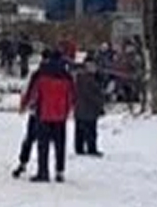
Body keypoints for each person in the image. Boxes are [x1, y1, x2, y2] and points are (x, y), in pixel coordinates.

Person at [17, 47, 75, 182]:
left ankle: (43, 172)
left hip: (43, 113)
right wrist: (69, 109)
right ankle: (60, 171)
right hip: (60, 115)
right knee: (60, 144)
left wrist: (25, 105)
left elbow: (33, 93)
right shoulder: (66, 76)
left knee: (43, 145)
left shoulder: (41, 73)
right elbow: (72, 95)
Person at [73, 52, 106, 156]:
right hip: (88, 109)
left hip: (82, 108)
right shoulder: (87, 79)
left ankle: (80, 148)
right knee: (90, 129)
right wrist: (99, 102)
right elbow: (92, 94)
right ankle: (90, 148)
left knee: (82, 129)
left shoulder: (81, 77)